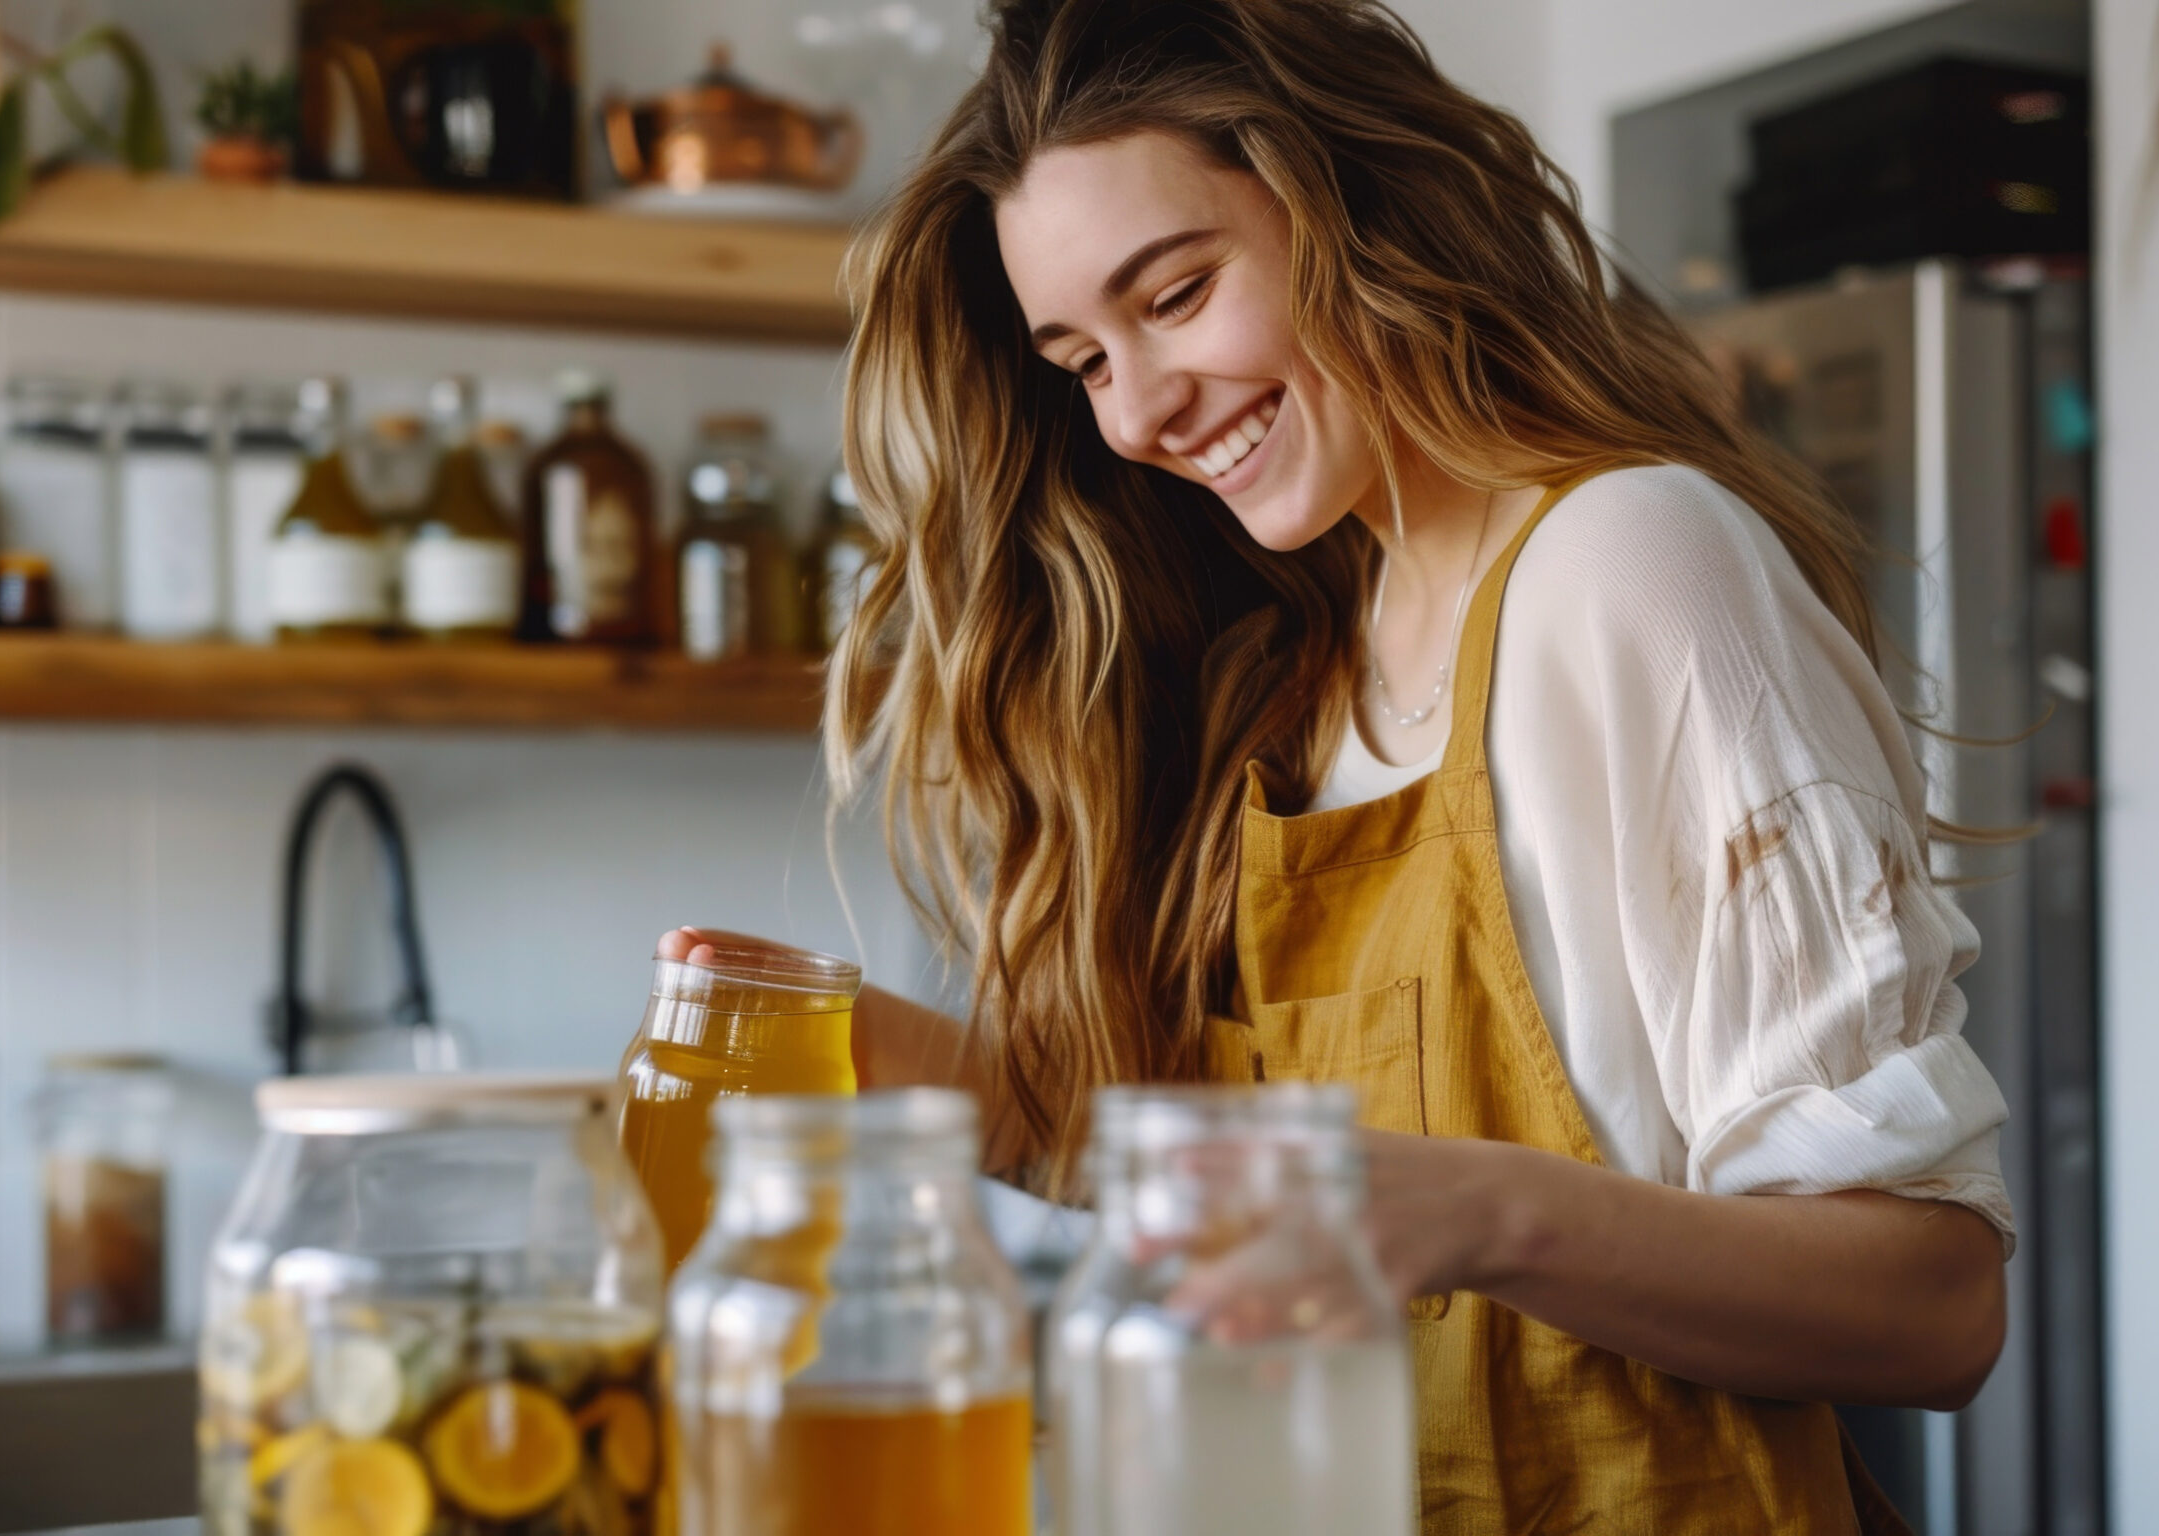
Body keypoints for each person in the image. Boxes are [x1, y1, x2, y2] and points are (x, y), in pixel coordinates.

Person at [664, 0, 2011, 1528]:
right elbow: (1251, 1216)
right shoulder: (1306, 668)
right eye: (1082, 359)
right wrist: (876, 1061)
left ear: (1351, 204)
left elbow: (1933, 1303)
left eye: (1174, 294)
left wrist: (1490, 1213)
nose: (1139, 411)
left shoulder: (1632, 566)